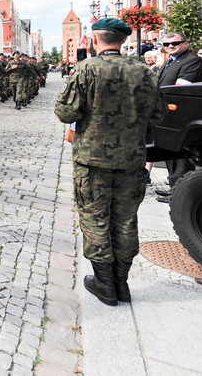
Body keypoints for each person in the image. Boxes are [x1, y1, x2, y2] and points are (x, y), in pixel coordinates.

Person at [55, 18, 161, 306]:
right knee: (126, 220)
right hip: (131, 161)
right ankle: (121, 283)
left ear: (94, 40)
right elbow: (159, 115)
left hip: (93, 162)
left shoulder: (87, 69)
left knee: (95, 219)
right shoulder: (144, 72)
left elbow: (65, 113)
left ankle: (104, 283)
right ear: (123, 41)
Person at [154, 32, 202, 203]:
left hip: (182, 112)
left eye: (175, 43)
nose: (170, 47)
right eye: (166, 44)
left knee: (181, 156)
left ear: (185, 43)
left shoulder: (191, 60)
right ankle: (174, 188)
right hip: (167, 111)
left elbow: (181, 86)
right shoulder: (170, 61)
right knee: (170, 153)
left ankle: (182, 193)